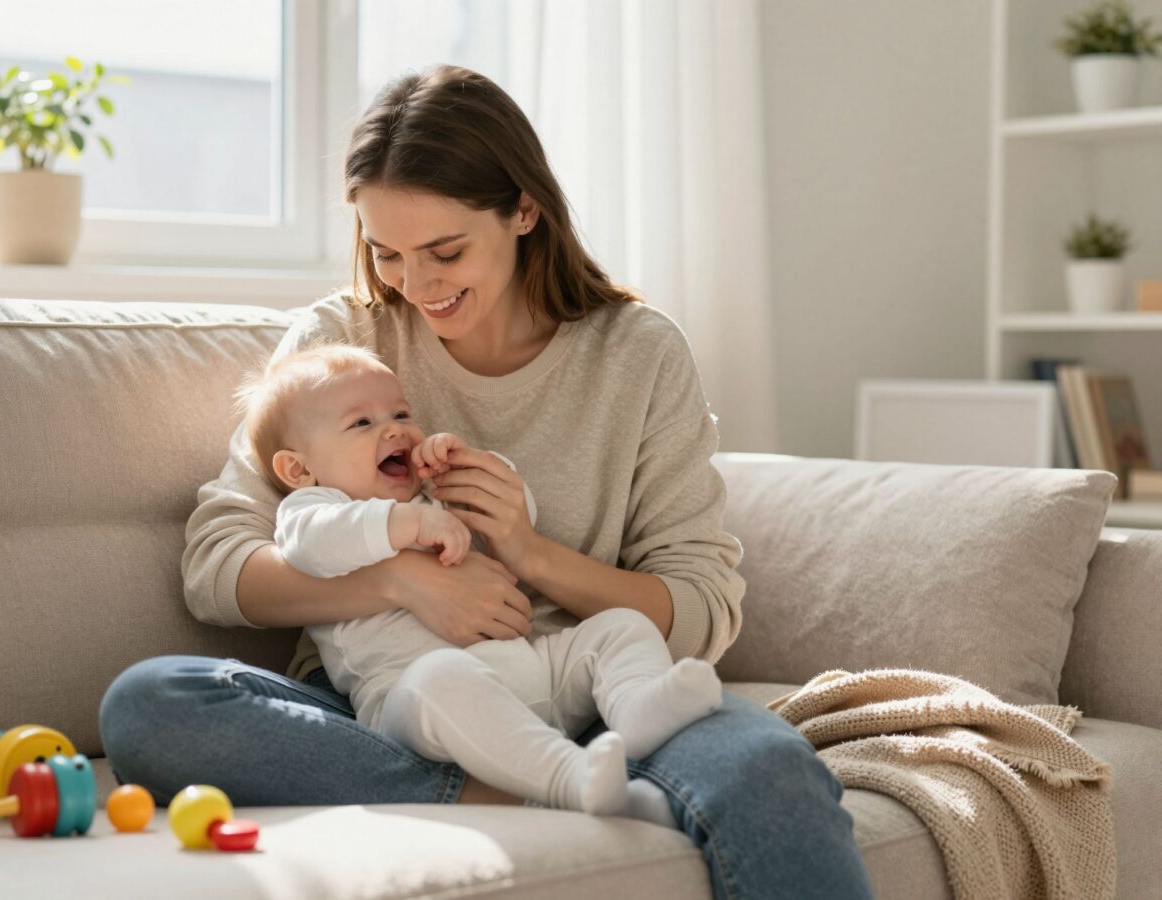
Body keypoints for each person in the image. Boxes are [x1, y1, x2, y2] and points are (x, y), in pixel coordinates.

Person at [99, 64, 875, 899]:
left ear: (524, 210)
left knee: (772, 771)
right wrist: (400, 581)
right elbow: (218, 567)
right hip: (392, 707)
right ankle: (519, 785)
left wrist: (530, 553)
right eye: (386, 252)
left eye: (445, 251)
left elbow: (702, 610)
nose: (417, 285)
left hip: (599, 693)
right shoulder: (340, 343)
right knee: (151, 703)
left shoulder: (638, 354)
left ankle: (570, 769)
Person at [235, 341, 723, 821]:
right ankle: (569, 777)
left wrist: (479, 475)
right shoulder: (314, 509)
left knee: (621, 627)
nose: (393, 431)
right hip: (416, 703)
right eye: (362, 423)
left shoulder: (430, 493)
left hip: (535, 671)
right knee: (442, 678)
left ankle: (638, 709)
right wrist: (411, 527)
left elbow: (516, 516)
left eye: (401, 415)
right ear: (299, 468)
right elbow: (311, 547)